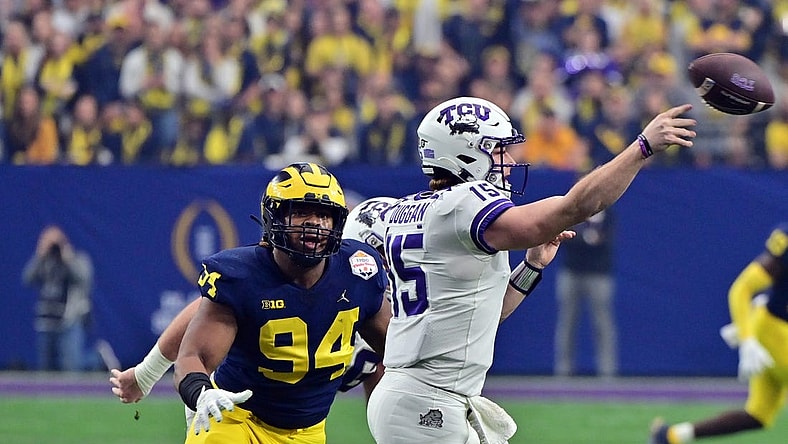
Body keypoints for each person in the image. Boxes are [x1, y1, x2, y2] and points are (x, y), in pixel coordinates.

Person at [366, 96, 696, 444]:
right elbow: (576, 207)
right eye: (497, 150)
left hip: (420, 396)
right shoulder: (463, 204)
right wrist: (641, 148)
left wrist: (532, 266)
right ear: (463, 153)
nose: (509, 162)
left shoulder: (411, 209)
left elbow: (481, 316)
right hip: (426, 402)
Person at [136, 162, 389, 444]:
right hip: (236, 417)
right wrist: (201, 392)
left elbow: (396, 352)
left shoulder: (358, 272)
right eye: (301, 212)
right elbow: (194, 356)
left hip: (308, 432)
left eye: (323, 214)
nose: (315, 223)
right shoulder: (241, 275)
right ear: (274, 218)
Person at [109, 195, 400, 408]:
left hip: (299, 420)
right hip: (233, 400)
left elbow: (385, 383)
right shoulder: (300, 276)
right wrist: (147, 373)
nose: (396, 271)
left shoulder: (382, 309)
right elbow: (201, 313)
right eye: (387, 258)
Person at [649, 222, 788, 444]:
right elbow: (742, 289)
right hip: (777, 332)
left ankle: (671, 436)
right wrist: (747, 337)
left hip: (769, 325)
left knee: (758, 415)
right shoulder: (785, 241)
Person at [554, 208, 618, 378]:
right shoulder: (575, 211)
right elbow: (566, 237)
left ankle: (607, 371)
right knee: (567, 322)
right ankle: (563, 370)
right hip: (571, 272)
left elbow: (607, 239)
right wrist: (586, 237)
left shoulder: (608, 214)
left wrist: (589, 237)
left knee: (602, 323)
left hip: (599, 275)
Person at [23, 225, 94, 371]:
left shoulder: (78, 259)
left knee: (71, 368)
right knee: (45, 371)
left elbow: (84, 279)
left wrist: (67, 257)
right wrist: (39, 254)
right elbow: (27, 279)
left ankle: (98, 359)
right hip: (46, 322)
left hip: (69, 322)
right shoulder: (44, 261)